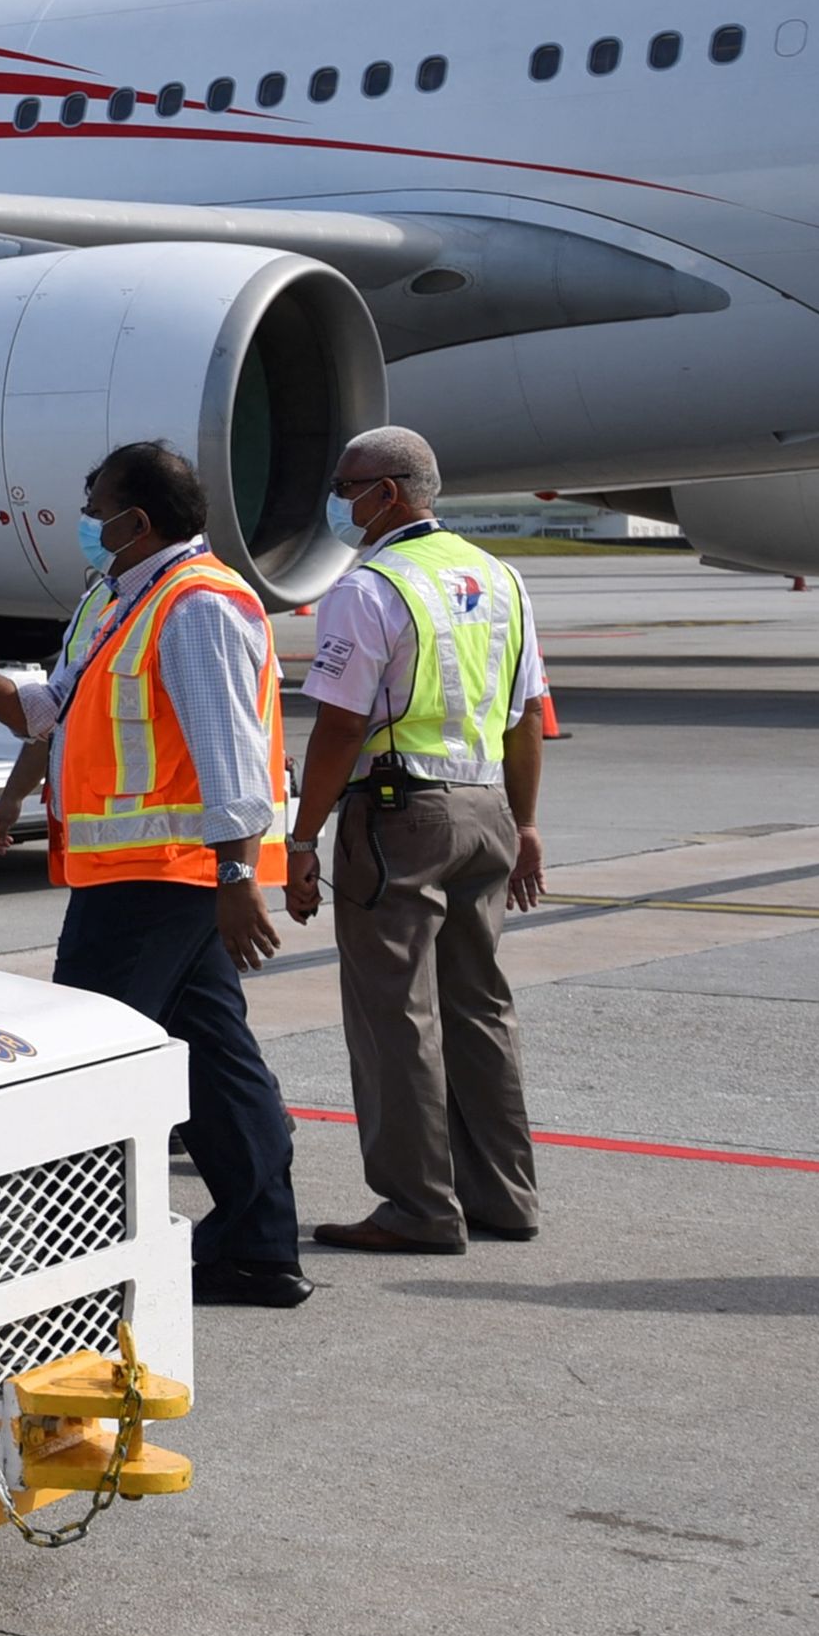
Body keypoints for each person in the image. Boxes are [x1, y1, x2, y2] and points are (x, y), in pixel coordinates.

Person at [0, 440, 311, 1310]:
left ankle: (75, 1251)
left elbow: (230, 752)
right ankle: (257, 1245)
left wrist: (237, 874)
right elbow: (46, 709)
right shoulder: (118, 597)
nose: (83, 520)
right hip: (136, 870)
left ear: (137, 521)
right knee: (214, 1060)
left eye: (94, 505)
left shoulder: (197, 604)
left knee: (83, 1059)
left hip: (161, 875)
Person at [284, 427, 551, 1255]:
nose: (337, 496)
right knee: (481, 1008)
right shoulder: (502, 580)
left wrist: (303, 836)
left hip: (399, 815)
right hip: (483, 813)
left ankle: (418, 1206)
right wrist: (527, 819)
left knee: (396, 1016)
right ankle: (504, 1195)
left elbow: (338, 723)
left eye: (346, 482)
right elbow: (526, 715)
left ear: (388, 493)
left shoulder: (371, 586)